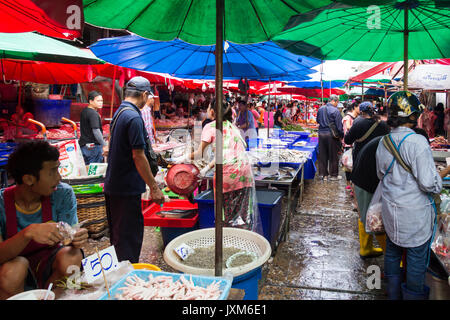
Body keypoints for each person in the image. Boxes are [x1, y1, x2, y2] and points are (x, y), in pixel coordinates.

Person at [376, 91, 450, 300]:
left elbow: (380, 174)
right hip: (415, 215)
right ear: (412, 115)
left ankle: (392, 294)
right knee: (417, 258)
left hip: (391, 210)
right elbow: (429, 183)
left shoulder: (384, 142)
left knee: (392, 251)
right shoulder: (417, 142)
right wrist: (439, 177)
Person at [0, 141, 88, 299]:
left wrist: (76, 237)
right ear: (28, 179)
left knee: (72, 256)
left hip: (49, 266)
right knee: (14, 269)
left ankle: (55, 296)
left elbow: (69, 239)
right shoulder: (1, 203)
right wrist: (28, 233)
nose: (59, 177)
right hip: (12, 270)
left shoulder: (62, 194)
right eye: (53, 172)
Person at [104, 76, 165, 263]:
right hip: (125, 187)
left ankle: (120, 275)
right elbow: (138, 156)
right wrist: (154, 187)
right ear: (145, 94)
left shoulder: (120, 112)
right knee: (128, 239)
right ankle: (127, 278)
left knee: (119, 237)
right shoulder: (133, 117)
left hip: (115, 185)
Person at [173, 100, 260, 231]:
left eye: (208, 108)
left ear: (212, 111)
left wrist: (182, 158)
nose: (207, 110)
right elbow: (224, 154)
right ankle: (242, 241)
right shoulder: (231, 126)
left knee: (225, 215)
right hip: (245, 173)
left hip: (227, 175)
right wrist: (208, 168)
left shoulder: (210, 127)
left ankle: (227, 243)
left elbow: (199, 154)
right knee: (242, 216)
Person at [344, 101, 390, 166]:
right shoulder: (382, 123)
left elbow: (347, 140)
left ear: (361, 112)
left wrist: (347, 131)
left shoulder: (358, 123)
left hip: (360, 156)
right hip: (377, 157)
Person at [316, 94, 344, 181]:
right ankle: (333, 175)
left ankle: (324, 175)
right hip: (331, 135)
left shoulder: (320, 109)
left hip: (321, 133)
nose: (337, 104)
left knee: (323, 154)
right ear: (334, 101)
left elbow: (317, 120)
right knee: (333, 155)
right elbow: (339, 126)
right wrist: (341, 135)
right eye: (337, 102)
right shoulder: (335, 111)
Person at [79, 91, 106, 165]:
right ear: (91, 101)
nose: (101, 103)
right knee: (94, 171)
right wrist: (104, 144)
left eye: (101, 101)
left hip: (84, 146)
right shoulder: (93, 113)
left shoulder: (85, 111)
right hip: (93, 147)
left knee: (87, 170)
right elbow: (96, 130)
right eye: (98, 101)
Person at [341, 100, 360, 191]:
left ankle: (353, 183)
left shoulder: (356, 117)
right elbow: (348, 127)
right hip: (349, 144)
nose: (360, 109)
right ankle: (348, 183)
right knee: (348, 165)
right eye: (359, 107)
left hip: (355, 144)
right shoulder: (348, 118)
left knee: (354, 164)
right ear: (354, 108)